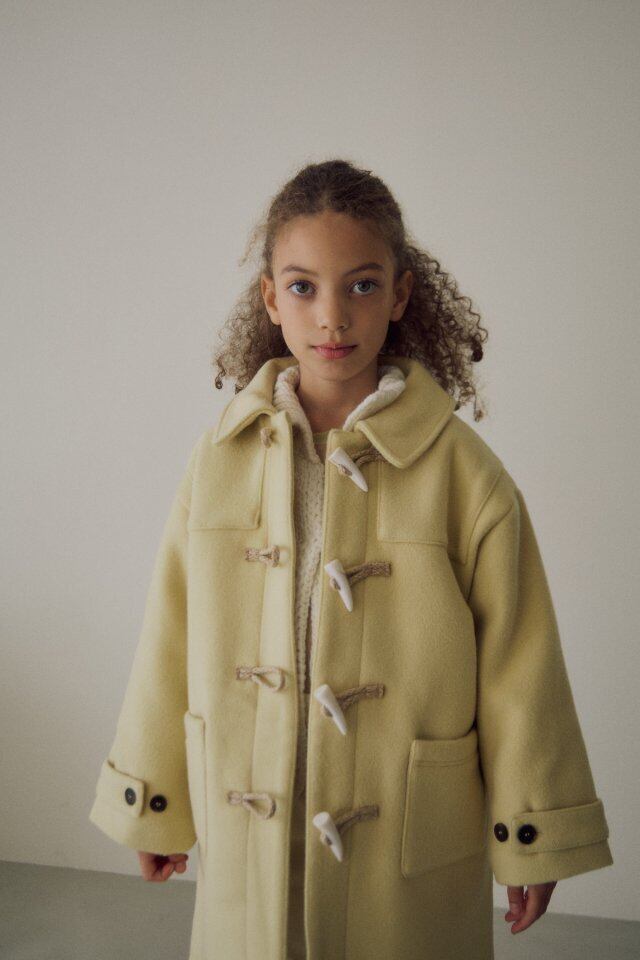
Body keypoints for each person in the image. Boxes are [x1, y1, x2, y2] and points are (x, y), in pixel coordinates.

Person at [89, 159, 613, 960]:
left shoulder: (463, 473)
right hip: (252, 818)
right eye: (303, 287)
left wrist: (533, 830)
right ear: (270, 299)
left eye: (361, 285)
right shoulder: (220, 460)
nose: (332, 316)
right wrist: (155, 798)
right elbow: (170, 634)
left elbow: (521, 663)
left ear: (400, 295)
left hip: (400, 837)